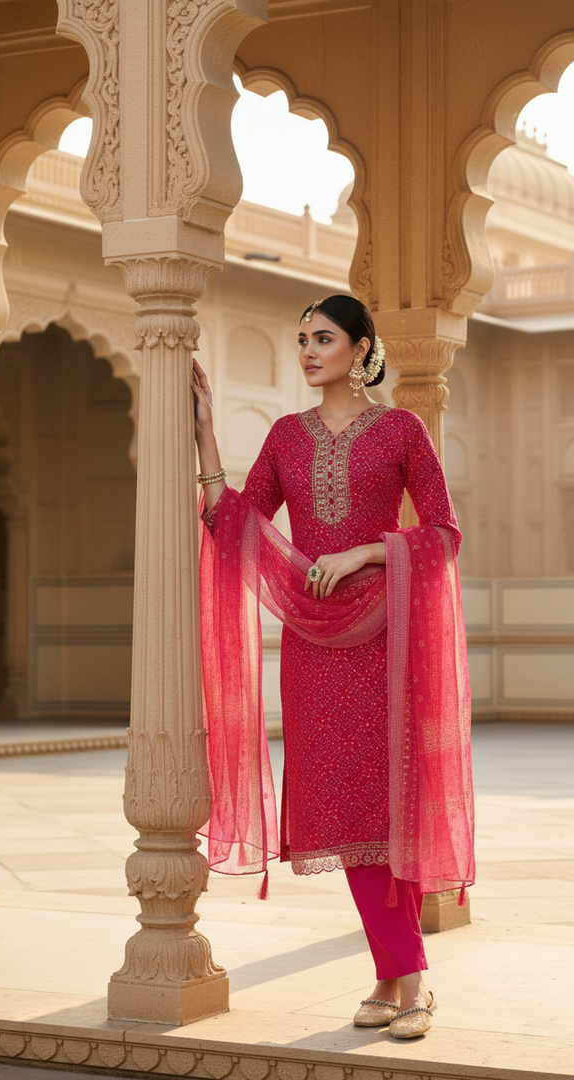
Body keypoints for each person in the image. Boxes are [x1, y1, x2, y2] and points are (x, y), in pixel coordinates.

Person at [192, 294, 474, 1039]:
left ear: (360, 348)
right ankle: (395, 974)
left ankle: (406, 979)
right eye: (302, 340)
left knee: (391, 802)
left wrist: (367, 549)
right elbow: (238, 527)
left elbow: (443, 533)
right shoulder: (287, 438)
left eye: (323, 338)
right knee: (349, 808)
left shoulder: (402, 430)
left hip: (387, 637)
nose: (309, 351)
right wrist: (204, 439)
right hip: (315, 648)